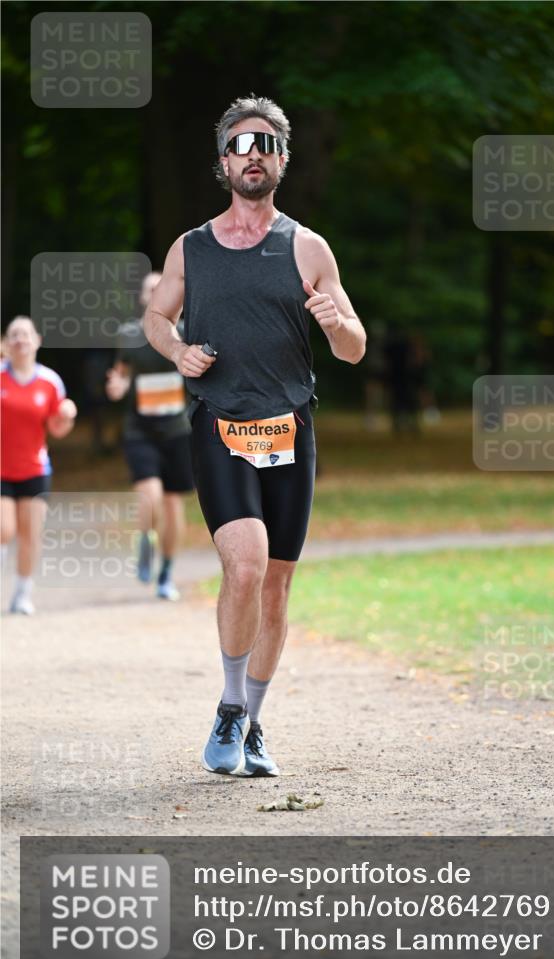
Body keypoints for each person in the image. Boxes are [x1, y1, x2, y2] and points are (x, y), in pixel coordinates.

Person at [145, 95, 365, 777]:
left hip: (290, 428)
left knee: (275, 585)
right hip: (220, 424)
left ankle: (255, 721)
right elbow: (158, 317)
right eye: (241, 145)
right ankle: (230, 709)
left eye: (266, 144)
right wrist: (176, 351)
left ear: (281, 160)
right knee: (243, 565)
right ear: (223, 161)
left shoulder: (307, 246)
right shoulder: (192, 247)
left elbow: (355, 348)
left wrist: (333, 321)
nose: (253, 155)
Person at [106, 271, 193, 600]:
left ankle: (167, 573)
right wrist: (118, 387)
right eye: (149, 289)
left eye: (161, 288)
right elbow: (122, 374)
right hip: (140, 430)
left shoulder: (189, 331)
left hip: (178, 431)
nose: (156, 292)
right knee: (150, 496)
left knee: (172, 504)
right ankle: (144, 539)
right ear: (142, 297)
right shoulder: (129, 334)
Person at [0, 316, 77, 614]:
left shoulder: (50, 381)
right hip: (2, 469)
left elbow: (57, 429)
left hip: (34, 468)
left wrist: (66, 416)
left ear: (37, 340)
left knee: (30, 535)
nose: (20, 339)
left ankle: (22, 594)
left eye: (25, 334)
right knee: (4, 529)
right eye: (14, 334)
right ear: (7, 343)